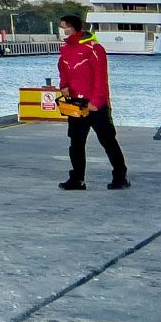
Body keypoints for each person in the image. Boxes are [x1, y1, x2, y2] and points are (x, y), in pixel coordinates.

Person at [56, 12, 129, 190]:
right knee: (76, 143)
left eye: (63, 26)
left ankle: (120, 176)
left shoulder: (94, 49)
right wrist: (64, 86)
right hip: (75, 103)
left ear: (72, 28)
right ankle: (77, 179)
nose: (62, 30)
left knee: (108, 141)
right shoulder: (65, 50)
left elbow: (100, 77)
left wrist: (96, 100)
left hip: (96, 104)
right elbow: (64, 70)